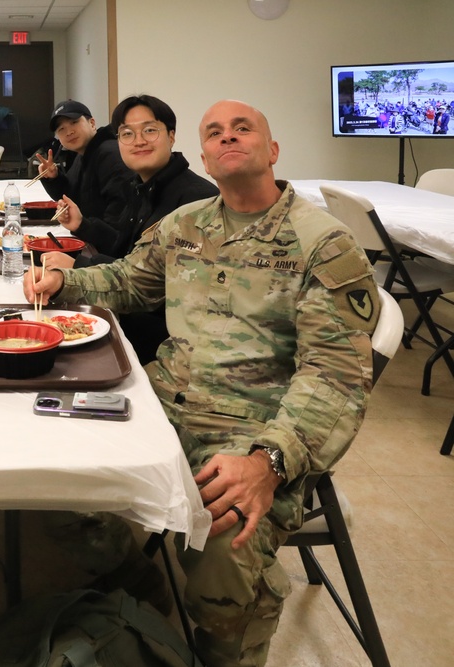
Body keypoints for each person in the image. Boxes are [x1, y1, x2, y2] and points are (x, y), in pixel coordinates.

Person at [26, 100, 380, 666]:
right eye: (214, 132)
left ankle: (226, 652)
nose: (227, 137)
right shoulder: (186, 224)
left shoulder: (323, 244)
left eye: (243, 128)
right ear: (206, 156)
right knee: (50, 471)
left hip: (255, 427)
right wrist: (61, 281)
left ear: (273, 150)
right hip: (160, 402)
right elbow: (127, 280)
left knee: (224, 542)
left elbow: (335, 378)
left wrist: (270, 461)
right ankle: (139, 582)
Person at [41, 95, 219, 365]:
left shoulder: (197, 201)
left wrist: (80, 265)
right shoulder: (143, 187)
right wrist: (81, 225)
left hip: (168, 347)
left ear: (171, 136)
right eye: (127, 133)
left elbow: (157, 288)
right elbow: (123, 248)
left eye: (149, 130)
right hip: (130, 320)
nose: (139, 140)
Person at [33, 100, 131, 244]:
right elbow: (70, 195)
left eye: (74, 122)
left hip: (111, 250)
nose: (69, 132)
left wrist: (82, 226)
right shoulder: (83, 154)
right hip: (95, 239)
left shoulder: (110, 155)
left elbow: (119, 227)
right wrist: (54, 177)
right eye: (61, 129)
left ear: (92, 123)